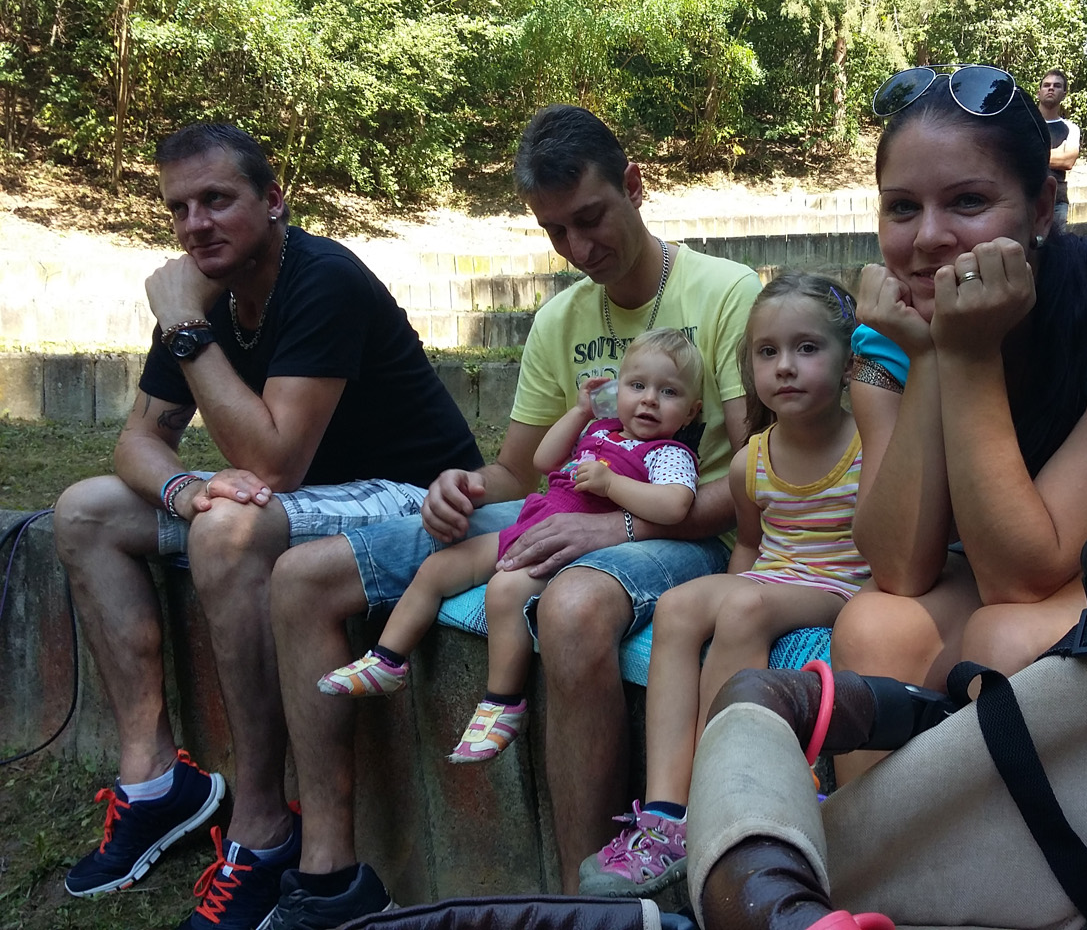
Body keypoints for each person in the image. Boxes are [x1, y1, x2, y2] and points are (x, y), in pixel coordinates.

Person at [265, 103, 762, 926]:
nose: (578, 248)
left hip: (684, 531)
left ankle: (583, 905)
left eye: (591, 218)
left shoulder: (726, 293)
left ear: (635, 185)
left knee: (573, 604)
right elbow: (512, 469)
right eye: (555, 231)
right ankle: (328, 878)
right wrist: (461, 487)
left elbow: (752, 476)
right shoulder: (561, 318)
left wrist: (623, 526)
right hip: (555, 510)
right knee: (301, 576)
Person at [52, 123, 484, 930]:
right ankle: (156, 782)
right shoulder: (205, 293)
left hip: (419, 500)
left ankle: (261, 828)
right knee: (86, 511)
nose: (196, 225)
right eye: (179, 208)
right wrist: (184, 490)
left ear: (274, 199)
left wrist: (187, 330)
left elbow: (275, 462)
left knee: (229, 531)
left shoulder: (321, 279)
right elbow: (138, 442)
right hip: (305, 500)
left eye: (217, 200)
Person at [831, 64, 1087, 785]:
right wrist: (929, 356)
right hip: (1016, 571)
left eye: (968, 201)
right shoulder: (888, 336)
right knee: (874, 625)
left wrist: (969, 353)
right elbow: (899, 566)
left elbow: (1022, 578)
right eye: (901, 207)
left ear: (1042, 207)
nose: (928, 236)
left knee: (1008, 639)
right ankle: (880, 851)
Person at [578, 273, 870, 898]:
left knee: (741, 607)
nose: (785, 366)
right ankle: (665, 814)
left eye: (807, 348)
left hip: (839, 583)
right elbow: (749, 544)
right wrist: (731, 591)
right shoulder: (750, 460)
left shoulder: (869, 444)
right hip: (772, 575)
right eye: (767, 352)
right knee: (681, 606)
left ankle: (717, 798)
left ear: (849, 361)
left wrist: (739, 600)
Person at [317, 329, 705, 768]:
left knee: (504, 591)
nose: (649, 400)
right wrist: (580, 412)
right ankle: (387, 660)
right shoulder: (601, 430)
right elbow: (544, 460)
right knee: (438, 568)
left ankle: (502, 703)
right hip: (534, 526)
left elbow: (675, 505)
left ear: (692, 411)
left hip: (572, 549)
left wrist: (612, 484)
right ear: (617, 391)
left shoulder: (667, 454)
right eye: (637, 385)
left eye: (668, 392)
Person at [1036, 68, 1079, 230]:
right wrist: (1056, 155)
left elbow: (1067, 161)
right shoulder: (1025, 123)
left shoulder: (1071, 128)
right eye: (1047, 85)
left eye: (1057, 86)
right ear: (1039, 92)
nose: (1051, 88)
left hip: (1057, 201)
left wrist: (1030, 154)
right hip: (1026, 197)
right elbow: (1014, 156)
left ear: (1064, 94)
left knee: (1056, 245)